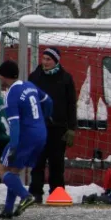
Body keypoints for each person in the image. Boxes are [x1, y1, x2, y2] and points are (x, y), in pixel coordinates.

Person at [0, 60, 53, 219]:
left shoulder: (11, 95)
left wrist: (14, 146)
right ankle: (8, 210)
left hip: (25, 135)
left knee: (2, 170)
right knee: (13, 171)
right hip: (41, 133)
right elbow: (49, 101)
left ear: (2, 76)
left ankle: (26, 196)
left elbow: (14, 124)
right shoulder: (30, 85)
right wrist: (46, 117)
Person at [28, 47, 77, 203]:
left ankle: (57, 193)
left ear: (56, 61)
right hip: (39, 128)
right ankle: (35, 193)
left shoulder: (66, 78)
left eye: (48, 59)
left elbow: (71, 105)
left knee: (57, 163)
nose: (45, 62)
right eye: (44, 59)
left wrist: (71, 128)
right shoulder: (35, 77)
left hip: (58, 128)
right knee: (38, 161)